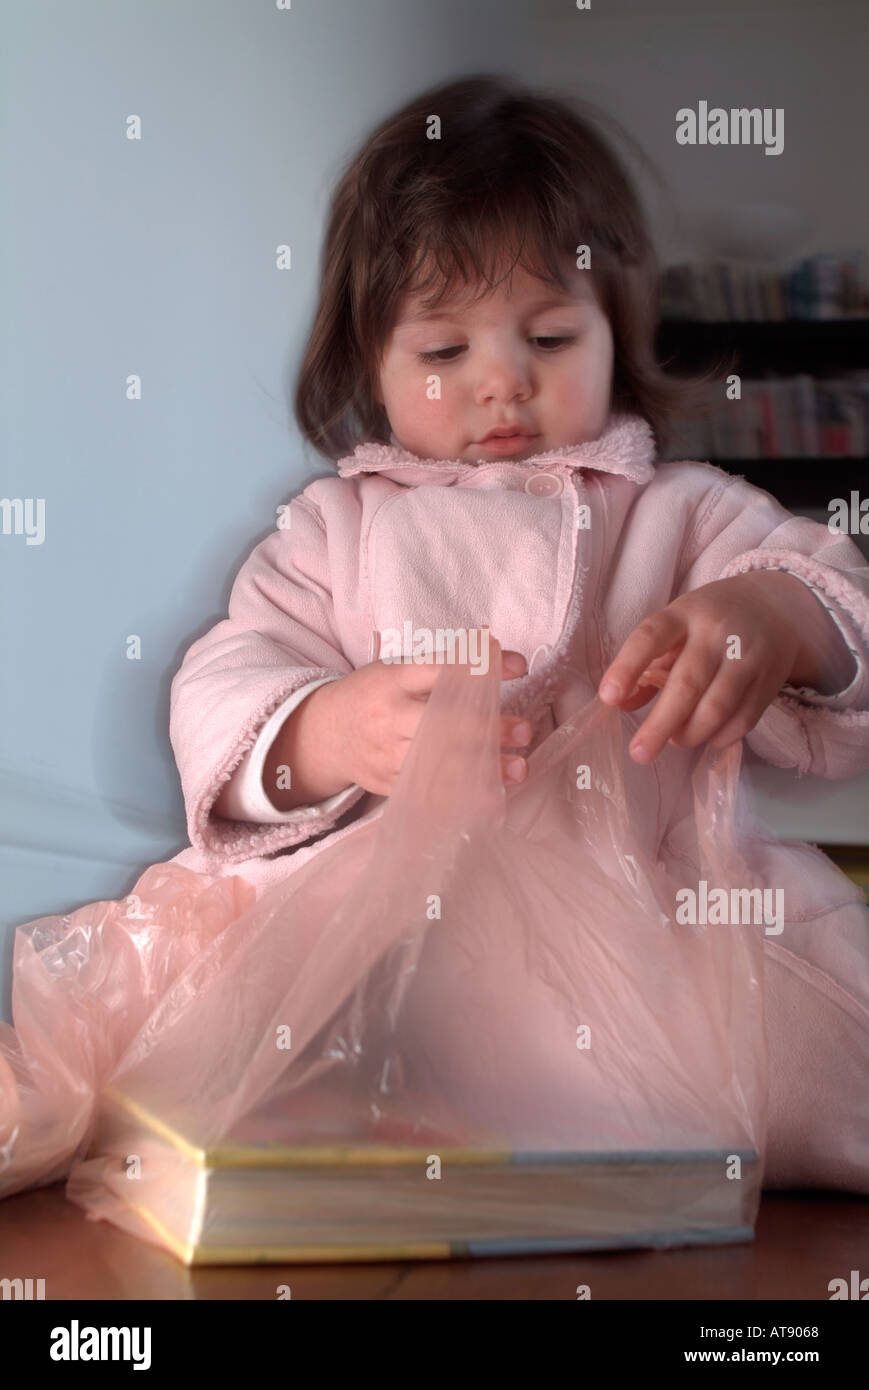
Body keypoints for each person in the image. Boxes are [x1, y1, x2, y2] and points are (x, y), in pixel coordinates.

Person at [8, 76, 869, 1199]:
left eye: (549, 335)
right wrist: (330, 731)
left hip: (645, 914)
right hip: (377, 928)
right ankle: (87, 1097)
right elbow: (228, 675)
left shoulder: (683, 511)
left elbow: (829, 585)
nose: (501, 380)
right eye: (443, 350)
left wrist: (773, 619)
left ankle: (584, 1118)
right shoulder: (336, 530)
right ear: (367, 365)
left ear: (616, 336)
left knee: (807, 1064)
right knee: (177, 1017)